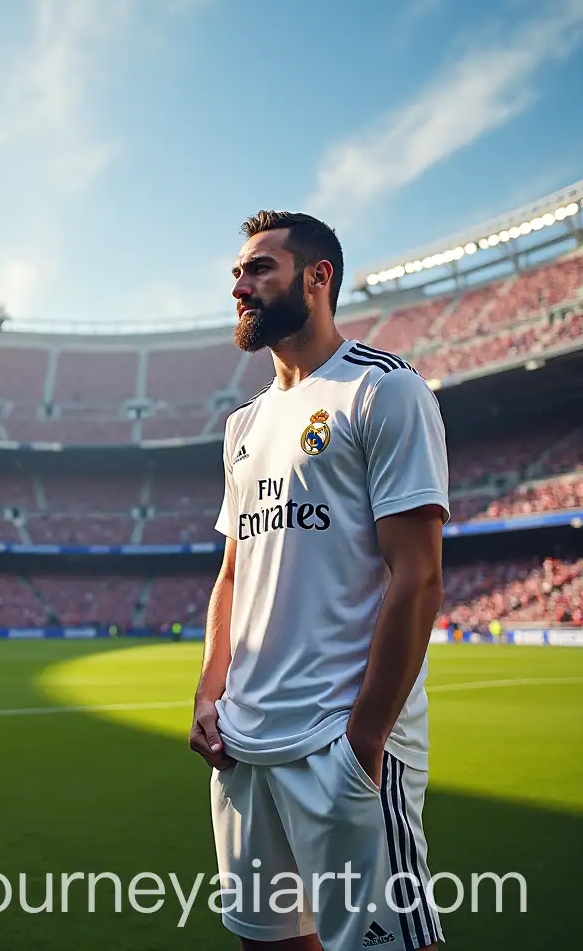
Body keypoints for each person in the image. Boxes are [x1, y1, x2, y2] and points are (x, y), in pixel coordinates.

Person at [190, 211, 448, 951]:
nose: (240, 285)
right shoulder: (242, 426)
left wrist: (365, 740)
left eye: (259, 269)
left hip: (340, 740)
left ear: (318, 277)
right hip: (244, 744)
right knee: (266, 943)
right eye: (237, 272)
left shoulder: (384, 391)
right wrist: (211, 691)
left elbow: (418, 578)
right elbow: (235, 571)